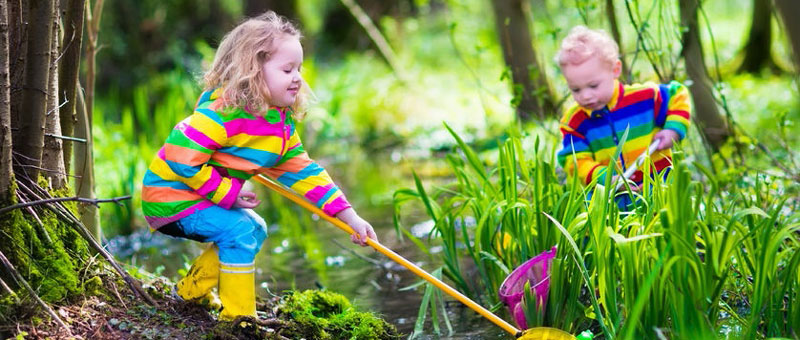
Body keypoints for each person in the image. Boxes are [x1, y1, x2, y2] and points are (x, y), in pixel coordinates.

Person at [140, 11, 378, 321]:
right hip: (168, 196)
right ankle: (239, 319)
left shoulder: (278, 129)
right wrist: (228, 192)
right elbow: (181, 160)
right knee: (239, 229)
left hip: (199, 198)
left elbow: (308, 175)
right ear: (252, 70)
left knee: (256, 227)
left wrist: (351, 218)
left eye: (299, 69)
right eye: (287, 69)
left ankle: (190, 293)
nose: (297, 78)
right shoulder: (220, 115)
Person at [554, 26, 692, 209]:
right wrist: (605, 177)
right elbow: (575, 160)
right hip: (613, 199)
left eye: (593, 86)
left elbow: (678, 94)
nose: (585, 96)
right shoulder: (574, 122)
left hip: (660, 189)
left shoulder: (644, 98)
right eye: (576, 89)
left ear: (615, 69)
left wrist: (673, 129)